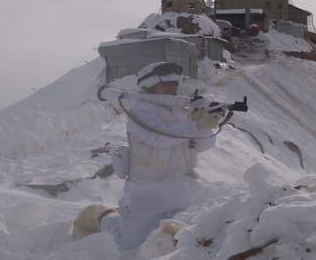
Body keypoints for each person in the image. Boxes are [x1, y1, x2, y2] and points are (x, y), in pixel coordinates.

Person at [71, 61, 222, 255]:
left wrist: (204, 122)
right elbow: (159, 138)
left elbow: (204, 145)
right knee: (127, 247)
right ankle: (100, 215)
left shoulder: (181, 111)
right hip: (148, 192)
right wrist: (195, 126)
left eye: (174, 83)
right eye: (165, 83)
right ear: (149, 84)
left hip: (183, 188)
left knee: (184, 244)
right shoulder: (141, 110)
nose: (172, 87)